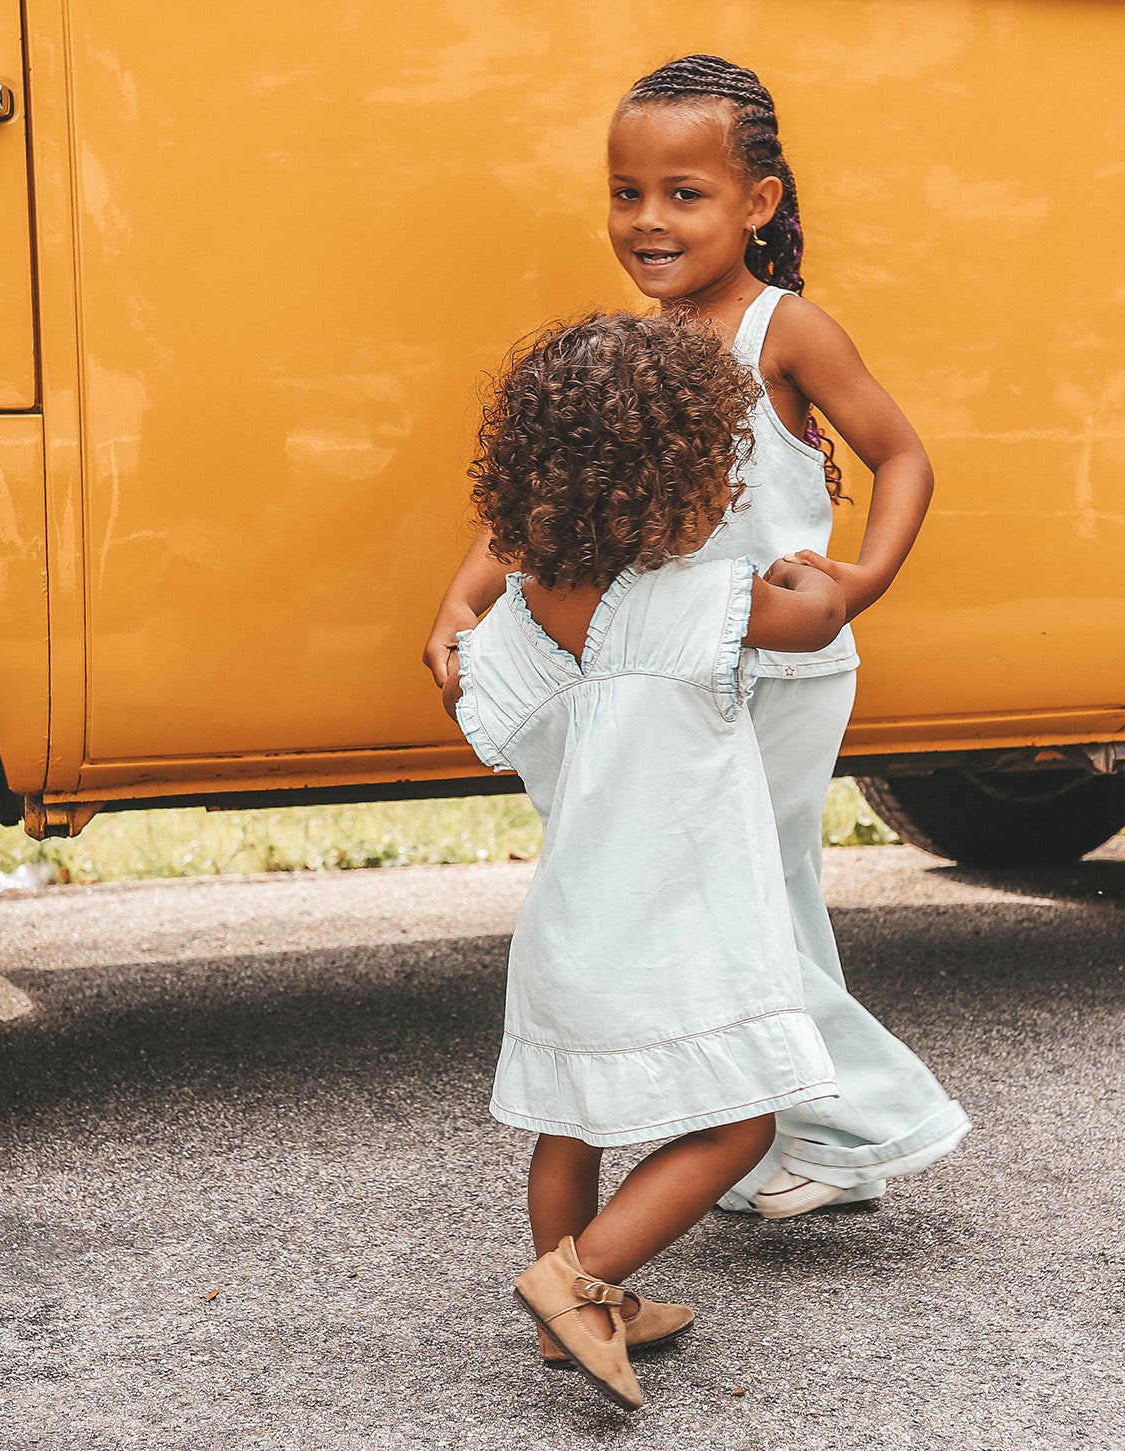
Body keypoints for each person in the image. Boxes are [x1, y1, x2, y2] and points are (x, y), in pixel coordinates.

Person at [427, 54, 968, 1221]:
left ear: (757, 202)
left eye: (684, 193)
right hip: (673, 670)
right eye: (626, 193)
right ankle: (799, 1133)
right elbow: (542, 497)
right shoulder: (640, 350)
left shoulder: (784, 330)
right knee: (754, 900)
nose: (648, 220)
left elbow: (902, 456)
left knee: (737, 903)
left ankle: (864, 1116)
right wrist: (460, 600)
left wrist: (863, 579)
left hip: (778, 667)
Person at [440, 311, 848, 1411]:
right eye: (717, 468)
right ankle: (575, 1283)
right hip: (676, 925)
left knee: (567, 1121)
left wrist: (459, 629)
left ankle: (578, 1319)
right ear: (668, 482)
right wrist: (805, 568)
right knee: (740, 1121)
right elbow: (816, 619)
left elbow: (469, 688)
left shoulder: (514, 624)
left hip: (570, 929)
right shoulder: (698, 600)